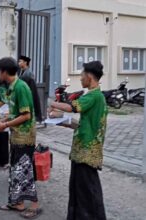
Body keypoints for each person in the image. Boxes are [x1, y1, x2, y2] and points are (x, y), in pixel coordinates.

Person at [48, 61, 107, 220]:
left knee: (88, 191)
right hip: (82, 151)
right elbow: (83, 124)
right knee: (79, 189)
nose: (80, 79)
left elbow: (72, 107)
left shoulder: (94, 96)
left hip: (86, 152)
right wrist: (63, 121)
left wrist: (51, 103)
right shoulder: (96, 97)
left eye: (81, 76)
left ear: (89, 76)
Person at [0, 57, 41, 219]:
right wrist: (4, 121)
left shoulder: (21, 87)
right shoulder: (12, 87)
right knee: (15, 169)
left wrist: (5, 126)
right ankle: (18, 202)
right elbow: (16, 112)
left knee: (25, 170)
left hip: (25, 136)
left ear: (5, 72)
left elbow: (26, 115)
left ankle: (34, 205)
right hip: (16, 134)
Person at [18, 55, 42, 122]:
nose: (18, 63)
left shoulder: (28, 74)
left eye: (20, 61)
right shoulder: (22, 72)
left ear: (25, 62)